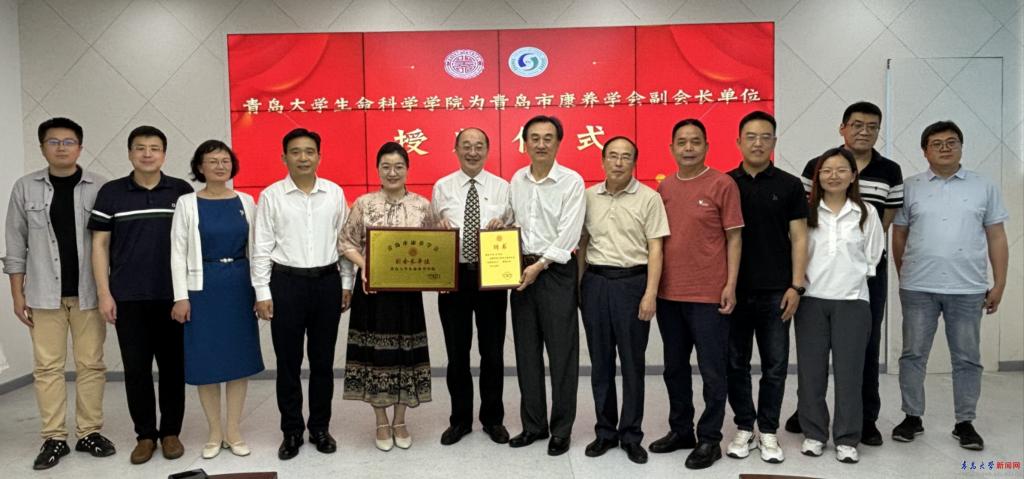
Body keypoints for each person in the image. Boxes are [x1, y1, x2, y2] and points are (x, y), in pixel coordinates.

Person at [788, 101, 903, 445]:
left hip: (861, 282)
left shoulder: (889, 171)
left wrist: (858, 268)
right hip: (814, 289)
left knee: (861, 353)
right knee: (812, 362)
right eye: (856, 124)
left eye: (872, 126)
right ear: (843, 127)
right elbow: (799, 228)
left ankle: (863, 421)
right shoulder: (814, 166)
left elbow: (885, 223)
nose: (864, 131)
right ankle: (810, 419)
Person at [3, 117, 113, 470]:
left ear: (80, 147)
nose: (61, 147)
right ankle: (54, 438)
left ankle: (89, 432)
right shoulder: (25, 187)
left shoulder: (100, 187)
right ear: (42, 147)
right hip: (43, 294)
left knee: (91, 364)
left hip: (88, 293)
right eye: (54, 142)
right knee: (47, 367)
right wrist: (17, 295)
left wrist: (109, 291)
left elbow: (111, 243)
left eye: (68, 142)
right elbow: (15, 244)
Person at [891, 121, 1008, 451]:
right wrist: (905, 274)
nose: (945, 148)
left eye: (951, 142)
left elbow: (997, 237)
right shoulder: (910, 187)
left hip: (968, 288)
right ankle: (912, 416)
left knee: (967, 358)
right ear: (924, 151)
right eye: (936, 143)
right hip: (918, 288)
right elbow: (899, 235)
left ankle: (965, 422)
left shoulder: (983, 186)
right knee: (913, 355)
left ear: (961, 147)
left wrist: (999, 283)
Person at [89, 125, 193, 464]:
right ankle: (145, 435)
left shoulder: (181, 191)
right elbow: (100, 245)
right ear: (130, 153)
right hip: (128, 297)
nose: (147, 154)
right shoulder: (111, 193)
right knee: (136, 370)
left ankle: (171, 433)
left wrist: (188, 293)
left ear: (164, 154)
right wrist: (104, 293)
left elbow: (192, 243)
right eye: (140, 148)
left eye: (154, 148)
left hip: (173, 295)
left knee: (173, 368)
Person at [251, 128, 353, 460]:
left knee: (323, 362)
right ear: (284, 157)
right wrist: (262, 291)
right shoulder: (271, 196)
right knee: (288, 363)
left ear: (319, 157)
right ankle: (292, 430)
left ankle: (320, 428)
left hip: (326, 283)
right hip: (286, 284)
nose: (303, 158)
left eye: (309, 151)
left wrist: (346, 284)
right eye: (295, 152)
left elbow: (344, 243)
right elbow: (261, 248)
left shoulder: (334, 193)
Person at [651, 118, 743, 470]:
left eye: (695, 141)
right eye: (682, 142)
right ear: (671, 148)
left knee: (712, 370)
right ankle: (681, 431)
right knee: (674, 368)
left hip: (708, 294)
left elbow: (734, 238)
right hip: (669, 294)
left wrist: (730, 284)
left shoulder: (722, 184)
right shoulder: (665, 187)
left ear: (706, 146)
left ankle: (709, 438)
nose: (688, 148)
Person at [170, 140, 264, 459]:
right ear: (200, 167)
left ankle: (233, 431)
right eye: (212, 161)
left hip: (239, 286)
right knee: (206, 360)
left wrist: (259, 292)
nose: (220, 166)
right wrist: (180, 297)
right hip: (202, 288)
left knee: (238, 360)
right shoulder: (187, 203)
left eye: (225, 161)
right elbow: (177, 252)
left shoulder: (246, 201)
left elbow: (257, 249)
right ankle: (214, 432)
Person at [340, 141, 437, 451]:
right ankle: (381, 420)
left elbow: (437, 247)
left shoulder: (422, 205)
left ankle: (400, 420)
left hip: (407, 296)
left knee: (406, 356)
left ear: (407, 169)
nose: (392, 172)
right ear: (377, 170)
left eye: (398, 167)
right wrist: (365, 265)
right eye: (386, 167)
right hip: (373, 293)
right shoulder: (364, 203)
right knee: (376, 358)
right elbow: (346, 242)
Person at [578, 136, 669, 465]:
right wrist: (581, 287)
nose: (618, 162)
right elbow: (583, 243)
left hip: (633, 284)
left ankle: (631, 434)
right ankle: (605, 431)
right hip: (596, 282)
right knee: (600, 363)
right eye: (613, 156)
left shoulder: (649, 198)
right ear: (603, 161)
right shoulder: (588, 197)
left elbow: (656, 248)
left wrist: (650, 293)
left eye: (626, 157)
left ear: (634, 162)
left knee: (632, 364)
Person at [725, 111, 808, 464]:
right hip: (735, 291)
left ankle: (769, 430)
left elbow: (800, 237)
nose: (758, 143)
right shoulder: (726, 183)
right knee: (735, 363)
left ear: (774, 141)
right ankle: (745, 426)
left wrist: (796, 286)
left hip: (777, 291)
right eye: (751, 136)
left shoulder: (789, 185)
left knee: (775, 364)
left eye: (765, 136)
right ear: (738, 141)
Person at [796, 148, 884, 464]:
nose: (834, 176)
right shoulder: (806, 212)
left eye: (841, 170)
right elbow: (797, 252)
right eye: (827, 170)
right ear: (817, 177)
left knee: (850, 374)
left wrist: (851, 278)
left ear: (853, 175)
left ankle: (847, 438)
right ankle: (814, 434)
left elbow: (873, 256)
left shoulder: (866, 213)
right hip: (811, 301)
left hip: (852, 301)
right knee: (811, 373)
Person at [507, 115, 585, 457]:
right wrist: (500, 224)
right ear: (525, 143)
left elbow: (569, 234)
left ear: (558, 142)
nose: (541, 144)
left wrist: (540, 265)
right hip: (520, 270)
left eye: (548, 138)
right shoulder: (517, 180)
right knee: (526, 352)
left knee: (562, 353)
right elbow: (514, 222)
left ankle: (561, 429)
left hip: (555, 272)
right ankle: (534, 425)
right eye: (534, 138)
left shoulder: (571, 181)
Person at [431, 128, 512, 446]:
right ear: (456, 149)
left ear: (488, 151)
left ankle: (493, 419)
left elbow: (513, 228)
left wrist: (504, 227)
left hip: (492, 275)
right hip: (454, 277)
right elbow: (432, 230)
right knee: (457, 352)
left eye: (479, 146)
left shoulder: (503, 187)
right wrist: (437, 227)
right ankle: (460, 420)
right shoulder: (442, 187)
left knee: (492, 352)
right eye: (466, 146)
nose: (473, 152)